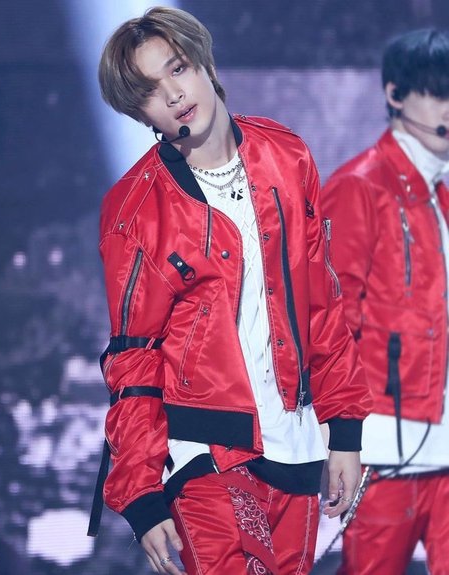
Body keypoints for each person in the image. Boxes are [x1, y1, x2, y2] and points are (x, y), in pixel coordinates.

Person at [89, 7, 371, 575]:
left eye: (177, 69)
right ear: (139, 112)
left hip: (293, 439)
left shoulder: (286, 156)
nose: (173, 94)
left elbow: (321, 302)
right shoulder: (136, 209)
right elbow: (134, 357)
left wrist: (345, 430)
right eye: (150, 91)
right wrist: (141, 491)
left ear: (205, 65)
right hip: (202, 450)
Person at [321, 28, 449, 575]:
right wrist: (343, 439)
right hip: (387, 451)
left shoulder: (442, 191)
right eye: (438, 92)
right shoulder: (360, 186)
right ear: (395, 94)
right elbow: (331, 324)